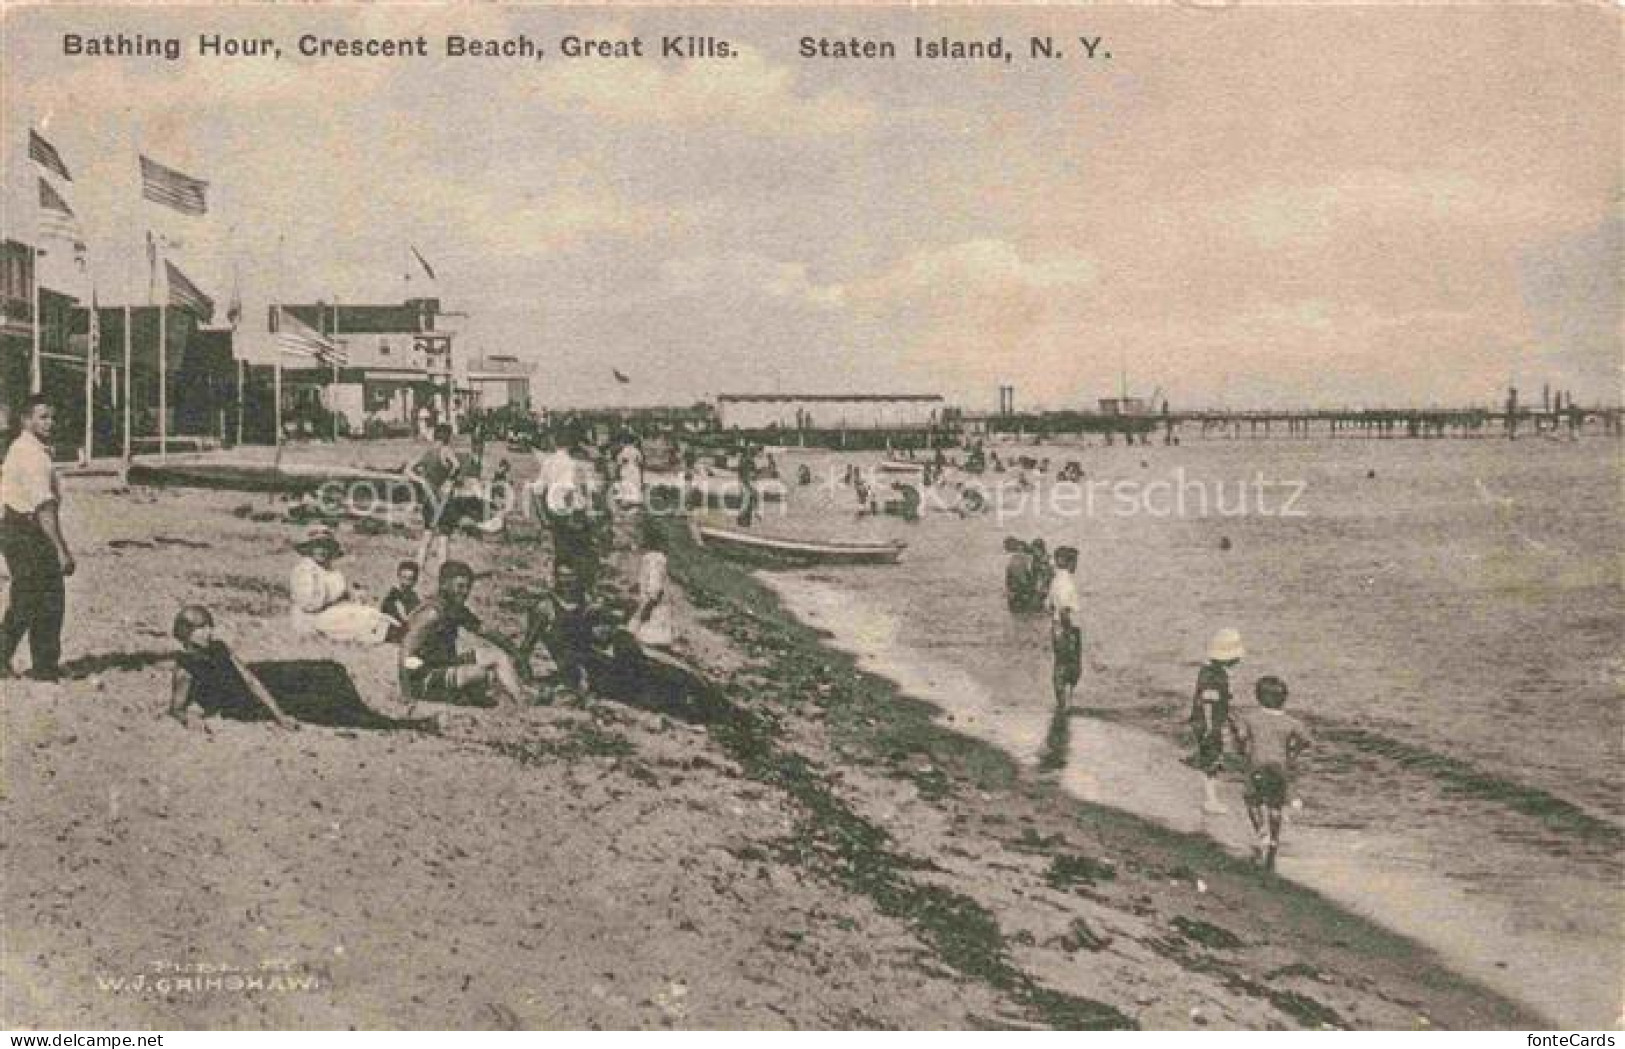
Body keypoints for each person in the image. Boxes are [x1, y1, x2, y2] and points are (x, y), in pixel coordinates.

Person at [1, 396, 74, 681]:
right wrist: (61, 551)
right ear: (26, 420)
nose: (50, 423)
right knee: (43, 597)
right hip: (25, 530)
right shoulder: (30, 454)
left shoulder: (28, 449)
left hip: (17, 528)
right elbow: (44, 508)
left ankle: (41, 664)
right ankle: (43, 666)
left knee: (32, 598)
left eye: (52, 417)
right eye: (43, 417)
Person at [398, 560, 539, 707]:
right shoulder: (432, 613)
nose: (465, 592)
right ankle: (486, 695)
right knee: (479, 673)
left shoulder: (455, 608)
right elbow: (405, 652)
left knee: (495, 655)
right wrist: (407, 694)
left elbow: (486, 631)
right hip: (424, 676)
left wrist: (517, 654)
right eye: (460, 586)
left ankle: (520, 698)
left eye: (468, 587)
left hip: (444, 665)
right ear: (444, 585)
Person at [169, 606, 295, 729]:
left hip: (246, 705)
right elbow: (176, 709)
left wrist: (280, 715)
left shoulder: (220, 648)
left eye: (209, 626)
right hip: (227, 716)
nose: (209, 632)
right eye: (201, 628)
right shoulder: (185, 668)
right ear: (186, 631)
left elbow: (250, 680)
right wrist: (188, 720)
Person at [1233, 675, 1311, 864]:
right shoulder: (1291, 722)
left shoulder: (1250, 718)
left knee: (1252, 800)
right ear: (1284, 699)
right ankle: (1274, 841)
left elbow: (1242, 739)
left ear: (1258, 697)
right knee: (1275, 805)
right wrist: (1292, 753)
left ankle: (1262, 834)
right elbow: (1306, 740)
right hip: (1280, 766)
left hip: (1257, 764)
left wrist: (1239, 743)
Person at [288, 525, 394, 645]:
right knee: (365, 619)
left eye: (325, 547)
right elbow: (310, 605)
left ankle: (386, 636)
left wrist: (352, 596)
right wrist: (339, 602)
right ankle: (373, 639)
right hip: (311, 619)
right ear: (310, 548)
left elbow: (339, 592)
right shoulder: (305, 570)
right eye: (317, 546)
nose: (322, 551)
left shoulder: (330, 570)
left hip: (330, 614)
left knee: (374, 614)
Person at [1189, 627, 1245, 815]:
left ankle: (1211, 798)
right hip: (1209, 724)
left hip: (1206, 723)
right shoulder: (1215, 677)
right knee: (1211, 761)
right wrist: (1212, 730)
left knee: (1211, 761)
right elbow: (1208, 703)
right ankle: (1211, 800)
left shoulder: (1209, 671)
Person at [409, 424, 462, 573]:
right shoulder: (446, 451)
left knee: (427, 534)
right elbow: (457, 466)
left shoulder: (427, 452)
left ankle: (418, 567)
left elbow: (408, 469)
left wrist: (421, 480)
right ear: (448, 437)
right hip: (443, 499)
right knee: (443, 537)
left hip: (428, 498)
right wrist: (449, 480)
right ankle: (442, 570)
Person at [1047, 546, 1083, 709]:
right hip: (1065, 627)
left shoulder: (1056, 580)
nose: (1076, 565)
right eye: (1075, 561)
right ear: (1069, 562)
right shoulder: (1066, 582)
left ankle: (1062, 702)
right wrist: (1069, 632)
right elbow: (1063, 610)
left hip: (1057, 626)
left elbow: (1049, 606)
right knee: (1069, 666)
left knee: (1061, 664)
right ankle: (1064, 703)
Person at [630, 524, 673, 651]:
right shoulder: (655, 558)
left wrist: (647, 606)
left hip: (653, 610)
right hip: (652, 605)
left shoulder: (653, 559)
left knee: (644, 635)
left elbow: (655, 586)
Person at [380, 560, 422, 641]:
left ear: (415, 581)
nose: (405, 583)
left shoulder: (415, 599)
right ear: (398, 577)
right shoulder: (391, 598)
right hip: (392, 640)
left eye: (410, 579)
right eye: (403, 578)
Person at [1004, 536, 1037, 613]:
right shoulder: (1025, 558)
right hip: (1022, 593)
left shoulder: (1016, 560)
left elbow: (1022, 580)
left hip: (1019, 594)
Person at [614, 436, 645, 509]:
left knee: (626, 483)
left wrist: (621, 465)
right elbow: (641, 460)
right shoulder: (636, 450)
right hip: (634, 468)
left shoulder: (623, 451)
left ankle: (626, 501)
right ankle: (634, 501)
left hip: (626, 468)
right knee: (634, 483)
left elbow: (619, 462)